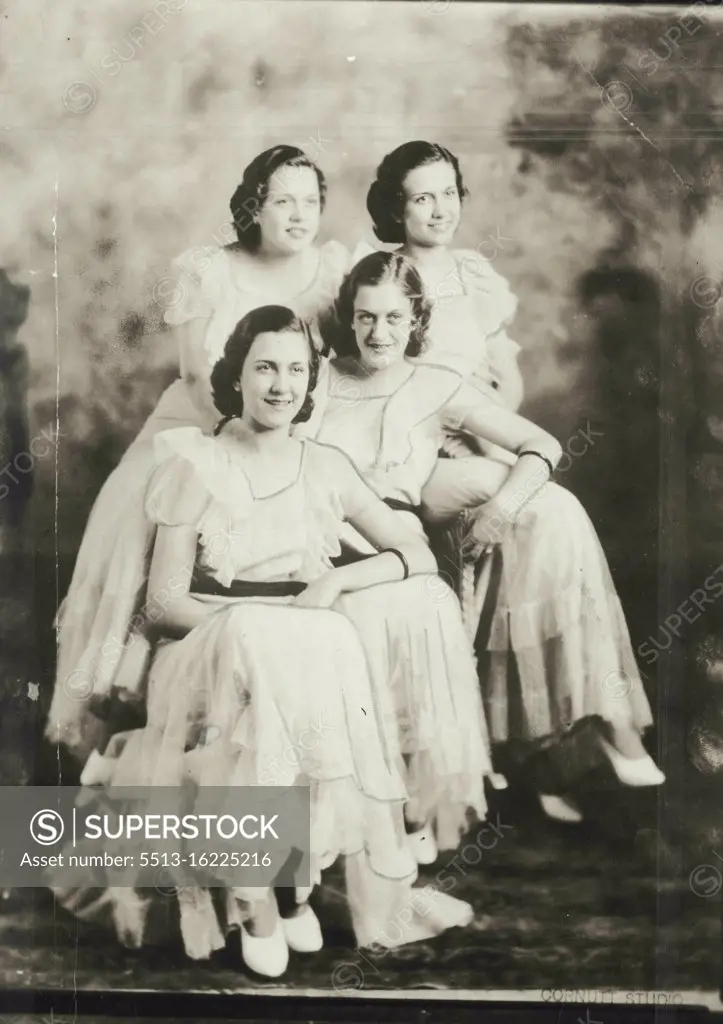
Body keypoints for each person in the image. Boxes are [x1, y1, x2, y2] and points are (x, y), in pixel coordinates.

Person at [49, 305, 486, 977]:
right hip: (203, 650)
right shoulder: (196, 461)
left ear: (310, 380)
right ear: (237, 376)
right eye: (264, 368)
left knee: (327, 637)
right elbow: (164, 604)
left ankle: (295, 883)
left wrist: (334, 587)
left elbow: (416, 554)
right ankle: (255, 896)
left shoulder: (326, 465)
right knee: (270, 637)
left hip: (295, 653)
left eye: (295, 369)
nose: (280, 385)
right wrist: (256, 629)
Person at [301, 251, 664, 825]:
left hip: (385, 544)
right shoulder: (318, 378)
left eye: (395, 318)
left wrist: (500, 508)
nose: (380, 332)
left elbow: (541, 446)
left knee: (547, 516)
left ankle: (399, 814)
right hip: (312, 533)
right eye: (367, 317)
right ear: (349, 317)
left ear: (416, 320)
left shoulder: (434, 386)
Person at [47, 145, 351, 760]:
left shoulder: (331, 272)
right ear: (254, 206)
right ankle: (124, 712)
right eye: (282, 201)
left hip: (284, 424)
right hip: (199, 422)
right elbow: (192, 375)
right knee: (136, 514)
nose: (299, 215)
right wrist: (229, 453)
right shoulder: (209, 268)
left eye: (311, 202)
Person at [365, 139, 523, 523]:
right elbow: (376, 387)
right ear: (397, 207)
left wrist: (488, 428)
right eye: (423, 199)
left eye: (449, 193)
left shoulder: (473, 271)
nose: (441, 211)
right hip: (416, 452)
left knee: (535, 499)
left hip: (485, 435)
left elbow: (510, 381)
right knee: (527, 503)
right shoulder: (383, 277)